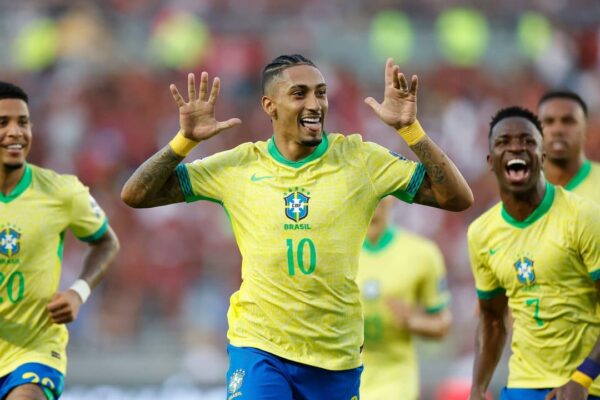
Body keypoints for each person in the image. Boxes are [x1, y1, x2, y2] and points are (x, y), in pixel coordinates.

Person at [122, 54, 473, 399]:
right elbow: (136, 194)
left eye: (321, 93)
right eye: (299, 94)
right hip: (260, 346)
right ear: (270, 105)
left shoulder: (360, 159)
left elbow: (457, 198)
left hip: (335, 355)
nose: (315, 104)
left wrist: (411, 131)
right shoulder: (239, 166)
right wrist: (184, 142)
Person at [467, 106, 600, 400]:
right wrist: (477, 389)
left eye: (528, 141)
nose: (516, 147)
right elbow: (492, 319)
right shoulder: (481, 233)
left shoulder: (585, 217)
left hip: (587, 386)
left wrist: (583, 377)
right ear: (491, 161)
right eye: (503, 142)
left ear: (542, 156)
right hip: (523, 385)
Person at [0, 82, 120, 400]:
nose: (15, 132)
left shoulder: (60, 191)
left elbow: (106, 242)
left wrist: (78, 293)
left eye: (22, 122)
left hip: (33, 351)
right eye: (3, 123)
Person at [357, 196, 452, 399]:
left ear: (394, 196)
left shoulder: (422, 254)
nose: (373, 201)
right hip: (347, 372)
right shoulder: (338, 253)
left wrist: (413, 321)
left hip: (396, 376)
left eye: (381, 195)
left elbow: (442, 324)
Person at [538, 90, 600, 202]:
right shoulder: (521, 189)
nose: (557, 130)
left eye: (568, 121)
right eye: (549, 121)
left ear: (586, 129)